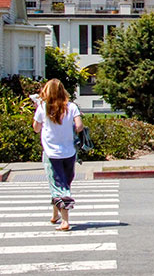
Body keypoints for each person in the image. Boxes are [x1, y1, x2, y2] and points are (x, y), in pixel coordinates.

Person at [31, 79, 83, 232]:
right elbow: (79, 127)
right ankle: (55, 215)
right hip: (69, 152)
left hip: (51, 153)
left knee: (59, 186)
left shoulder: (43, 107)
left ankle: (65, 221)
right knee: (64, 183)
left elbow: (36, 128)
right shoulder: (71, 107)